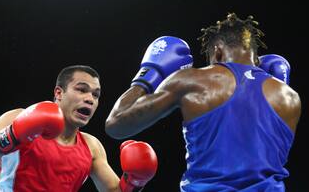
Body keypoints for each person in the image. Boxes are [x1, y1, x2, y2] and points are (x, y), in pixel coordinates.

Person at [105, 13, 301, 191]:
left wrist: (147, 76)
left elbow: (116, 125)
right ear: (256, 58)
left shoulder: (192, 80)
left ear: (217, 52)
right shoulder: (289, 96)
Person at [0, 65, 158, 192]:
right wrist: (11, 136)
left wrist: (135, 182)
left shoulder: (92, 146)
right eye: (81, 90)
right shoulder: (20, 117)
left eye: (96, 95)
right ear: (58, 92)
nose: (90, 99)